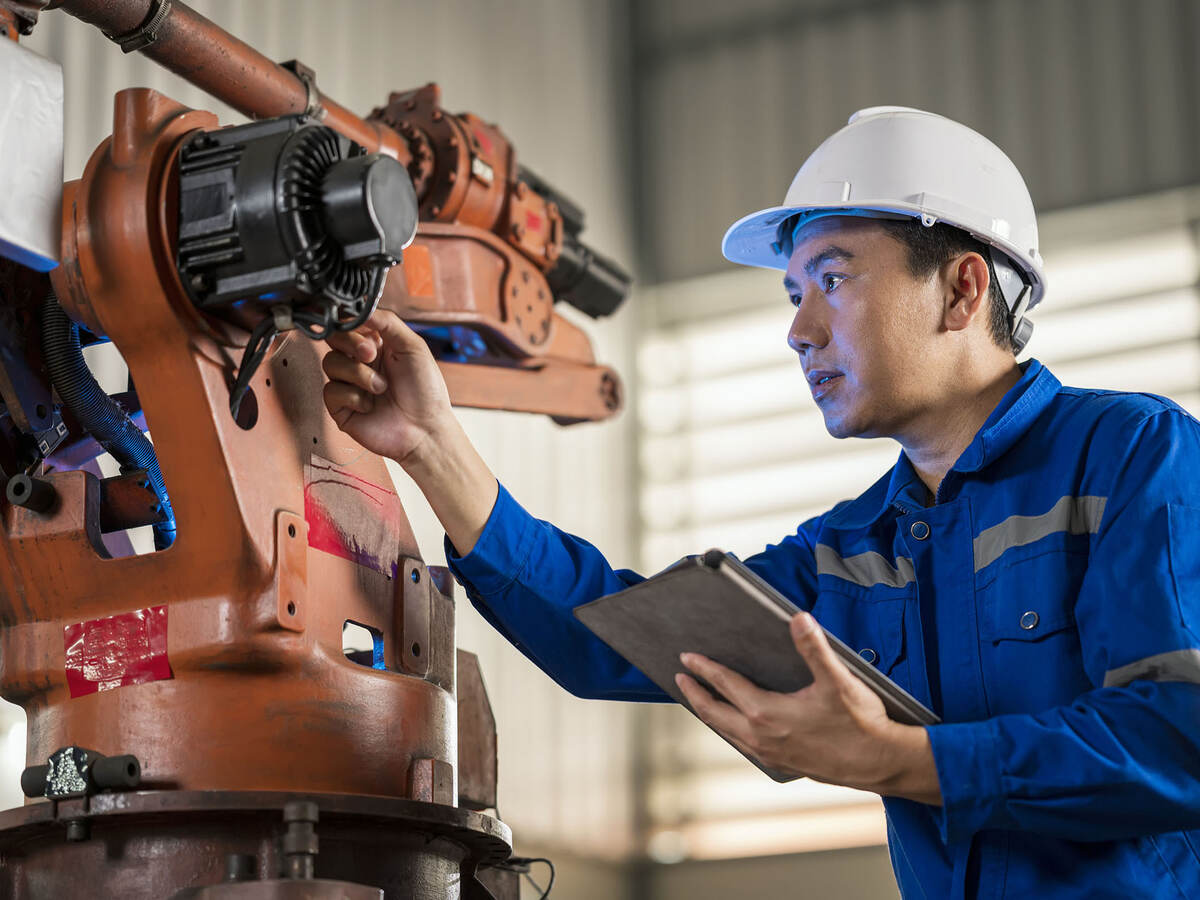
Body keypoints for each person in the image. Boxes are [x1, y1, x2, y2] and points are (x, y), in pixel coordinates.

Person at [321, 107, 1200, 898]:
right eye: (793, 292)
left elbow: (1178, 737)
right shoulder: (856, 546)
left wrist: (904, 760)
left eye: (834, 277)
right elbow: (610, 636)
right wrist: (432, 446)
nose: (799, 329)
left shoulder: (1132, 457)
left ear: (963, 289)